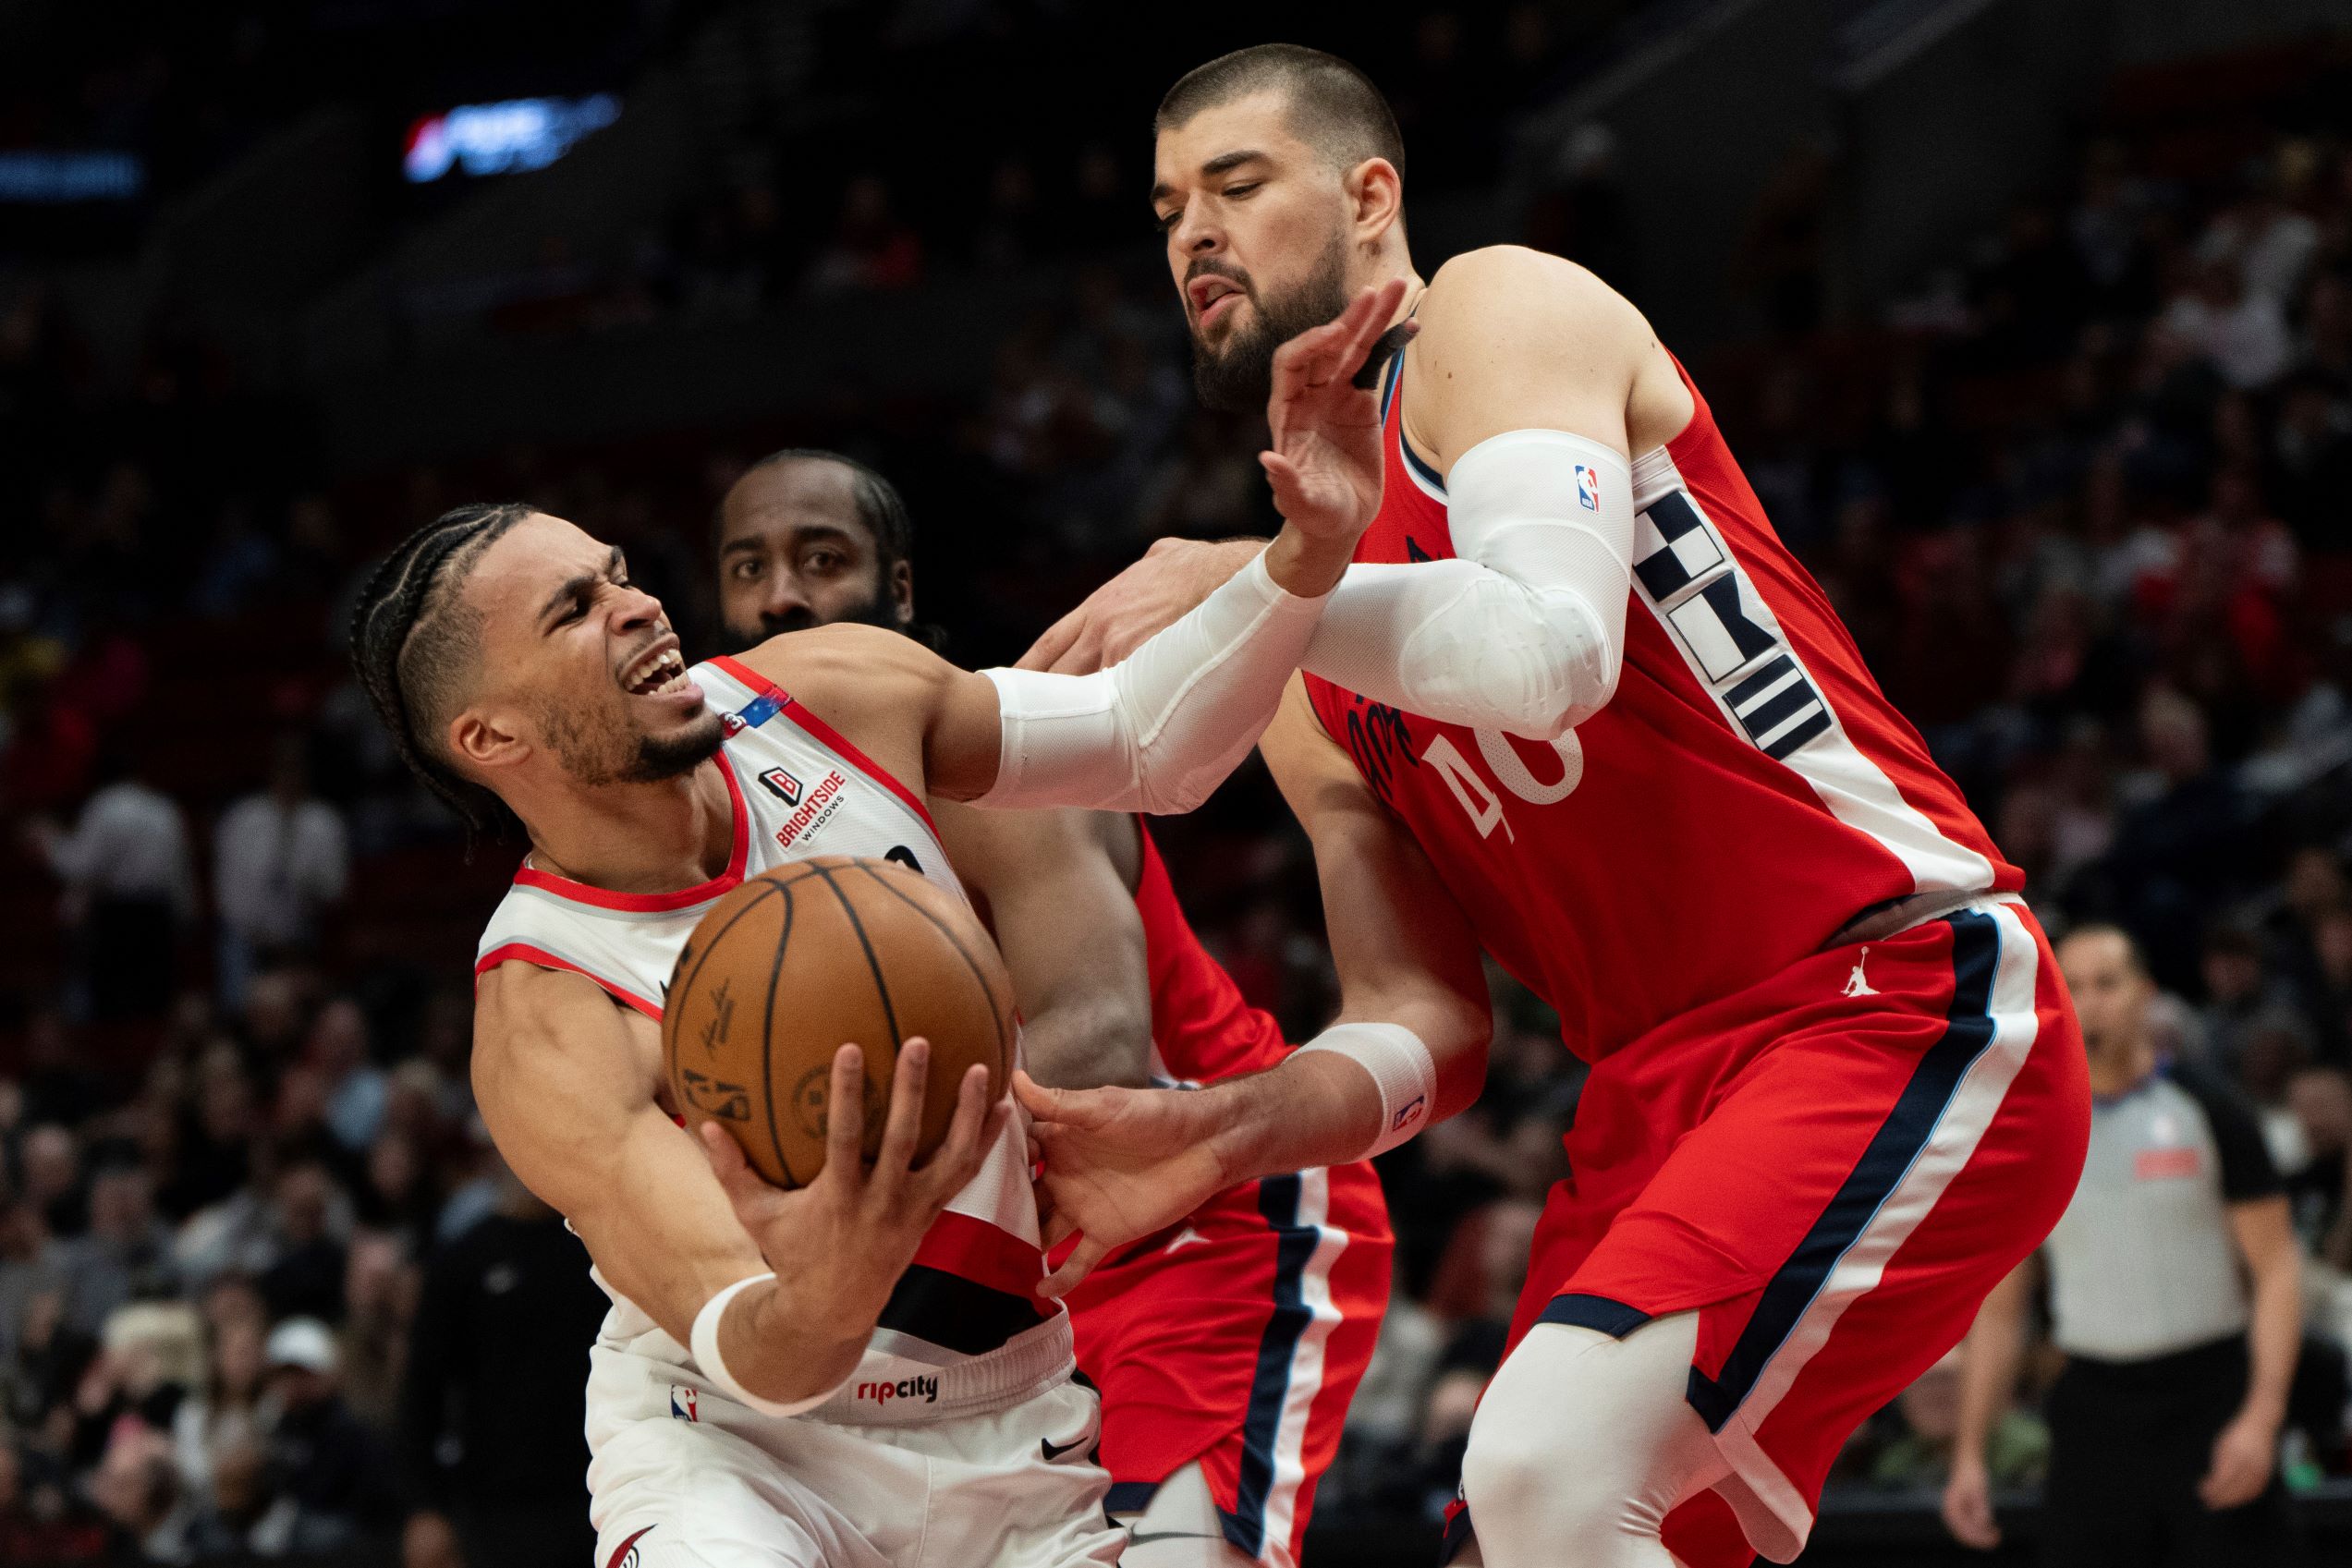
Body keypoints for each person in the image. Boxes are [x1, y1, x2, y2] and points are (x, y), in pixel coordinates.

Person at [1013, 43, 2091, 1568]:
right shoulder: (1304, 637)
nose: (1192, 230)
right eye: (1167, 203)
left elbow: (1554, 654)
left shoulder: (1498, 313)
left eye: (1236, 184)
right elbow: (1430, 1027)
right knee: (1525, 1534)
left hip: (1888, 989)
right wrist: (1226, 1127)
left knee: (1546, 1479)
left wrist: (1267, 587)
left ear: (1370, 194)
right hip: (1651, 1103)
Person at [342, 282, 1479, 1568]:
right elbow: (762, 1352)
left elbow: (1145, 742)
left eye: (615, 574)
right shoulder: (547, 1009)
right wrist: (848, 1247)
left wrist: (1303, 559)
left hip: (1015, 1416)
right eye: (576, 613)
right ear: (492, 738)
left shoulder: (832, 689)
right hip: (747, 1449)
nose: (642, 605)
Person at [715, 449, 1396, 1568]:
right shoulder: (742, 817)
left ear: (898, 592)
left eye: (820, 558)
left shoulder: (983, 753)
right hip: (1016, 1271)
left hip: (1203, 1215)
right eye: (749, 567)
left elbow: (1098, 1047)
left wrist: (869, 1185)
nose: (781, 594)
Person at [1942, 925, 2303, 1566]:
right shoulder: (2032, 1132)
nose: (2090, 1002)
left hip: (2210, 1397)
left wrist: (2260, 1417)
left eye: (2106, 984)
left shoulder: (2209, 1108)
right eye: (2072, 987)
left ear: (2145, 993)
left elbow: (2276, 1268)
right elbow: (2000, 1308)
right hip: (2093, 1411)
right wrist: (1970, 1452)